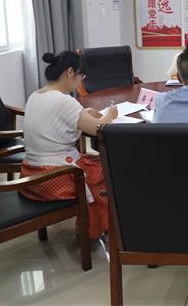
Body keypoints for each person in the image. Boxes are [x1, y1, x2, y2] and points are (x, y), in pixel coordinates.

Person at [20, 51, 118, 239]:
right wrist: (110, 115)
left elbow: (56, 119)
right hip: (54, 178)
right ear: (70, 72)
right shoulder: (64, 101)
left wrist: (83, 112)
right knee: (107, 168)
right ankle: (96, 227)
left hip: (30, 174)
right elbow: (99, 128)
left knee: (95, 164)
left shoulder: (36, 95)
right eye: (81, 77)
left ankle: (97, 223)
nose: (80, 82)